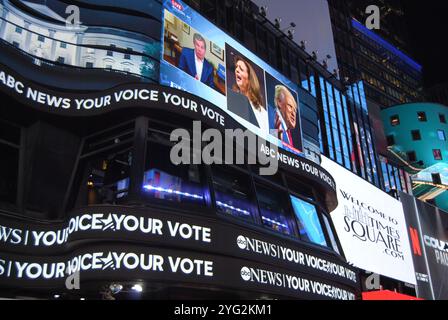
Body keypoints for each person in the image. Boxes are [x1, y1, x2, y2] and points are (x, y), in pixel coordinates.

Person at [227, 56, 269, 134]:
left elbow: (270, 140)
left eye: (241, 69)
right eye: (236, 67)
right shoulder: (231, 98)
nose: (236, 70)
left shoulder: (264, 114)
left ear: (250, 79)